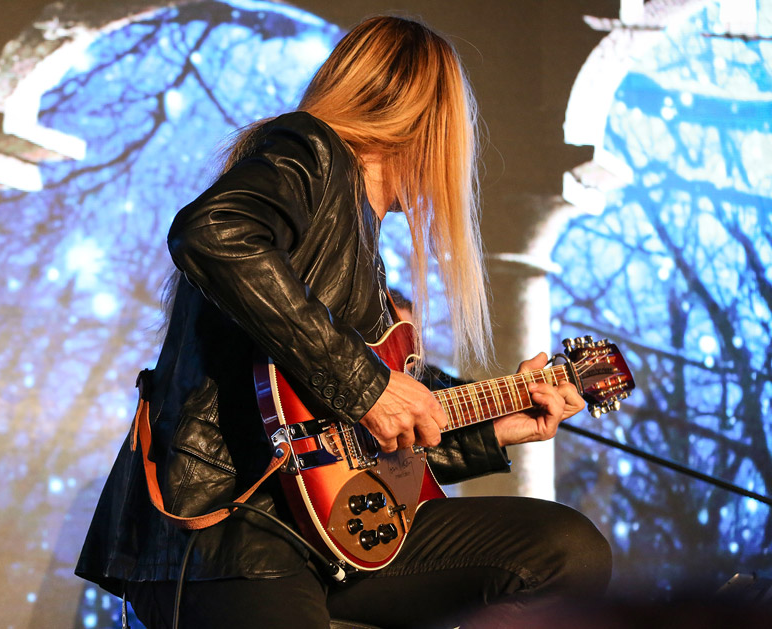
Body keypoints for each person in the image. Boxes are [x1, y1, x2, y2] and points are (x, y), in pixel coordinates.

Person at [76, 15, 611, 629]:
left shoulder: (366, 259)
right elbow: (214, 232)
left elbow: (352, 442)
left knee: (566, 554)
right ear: (426, 126)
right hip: (237, 529)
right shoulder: (311, 150)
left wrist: (497, 427)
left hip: (339, 528)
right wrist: (370, 386)